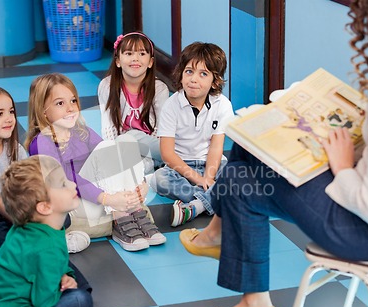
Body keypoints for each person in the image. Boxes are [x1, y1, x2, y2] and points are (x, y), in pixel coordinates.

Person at [187, 0, 368, 307]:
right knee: (248, 151)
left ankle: (249, 292)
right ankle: (220, 235)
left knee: (237, 180)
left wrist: (344, 165)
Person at [0, 155, 123, 307]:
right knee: (81, 301)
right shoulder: (45, 246)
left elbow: (40, 269)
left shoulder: (30, 228)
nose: (72, 184)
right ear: (45, 207)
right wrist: (59, 285)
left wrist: (63, 276)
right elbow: (44, 301)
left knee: (73, 287)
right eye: (63, 184)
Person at [25, 73, 166, 252]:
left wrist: (140, 184)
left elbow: (113, 158)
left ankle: (134, 209)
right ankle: (121, 217)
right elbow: (65, 181)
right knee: (108, 147)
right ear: (43, 110)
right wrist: (108, 198)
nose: (70, 108)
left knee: (124, 142)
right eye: (60, 103)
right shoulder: (42, 142)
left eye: (73, 101)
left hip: (98, 197)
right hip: (73, 202)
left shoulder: (83, 131)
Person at [0, 85, 88, 259]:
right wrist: (36, 224)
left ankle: (24, 247)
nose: (9, 119)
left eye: (11, 112)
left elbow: (32, 185)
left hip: (15, 210)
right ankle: (50, 244)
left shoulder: (16, 149)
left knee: (64, 217)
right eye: (0, 114)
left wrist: (45, 212)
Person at [150, 42, 234, 227]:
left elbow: (216, 147)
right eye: (189, 71)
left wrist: (209, 177)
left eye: (203, 74)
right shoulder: (172, 105)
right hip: (180, 166)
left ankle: (195, 206)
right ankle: (214, 199)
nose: (193, 79)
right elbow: (167, 154)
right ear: (180, 74)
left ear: (215, 81)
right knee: (159, 180)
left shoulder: (223, 105)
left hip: (211, 164)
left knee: (237, 176)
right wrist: (200, 180)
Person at [99, 31, 170, 174]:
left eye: (142, 54)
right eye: (129, 53)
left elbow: (159, 130)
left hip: (153, 143)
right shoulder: (107, 86)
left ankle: (164, 160)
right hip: (123, 146)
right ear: (118, 61)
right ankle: (150, 165)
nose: (135, 58)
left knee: (131, 137)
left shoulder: (160, 89)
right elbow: (108, 126)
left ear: (150, 62)